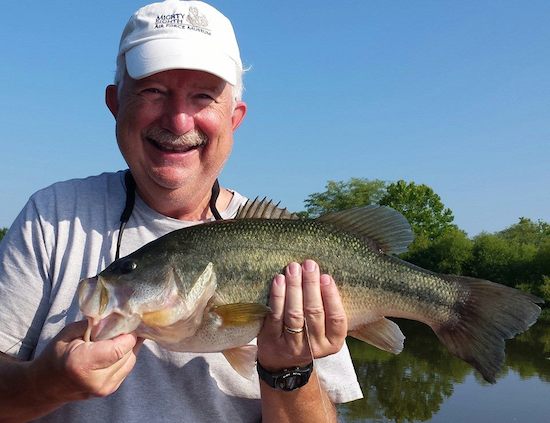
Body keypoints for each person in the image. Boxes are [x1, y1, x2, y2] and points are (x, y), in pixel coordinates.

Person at [0, 1, 363, 421]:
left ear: (235, 118)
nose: (178, 120)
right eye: (153, 91)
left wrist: (289, 369)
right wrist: (44, 384)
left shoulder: (294, 249)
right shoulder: (52, 218)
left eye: (203, 97)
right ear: (116, 102)